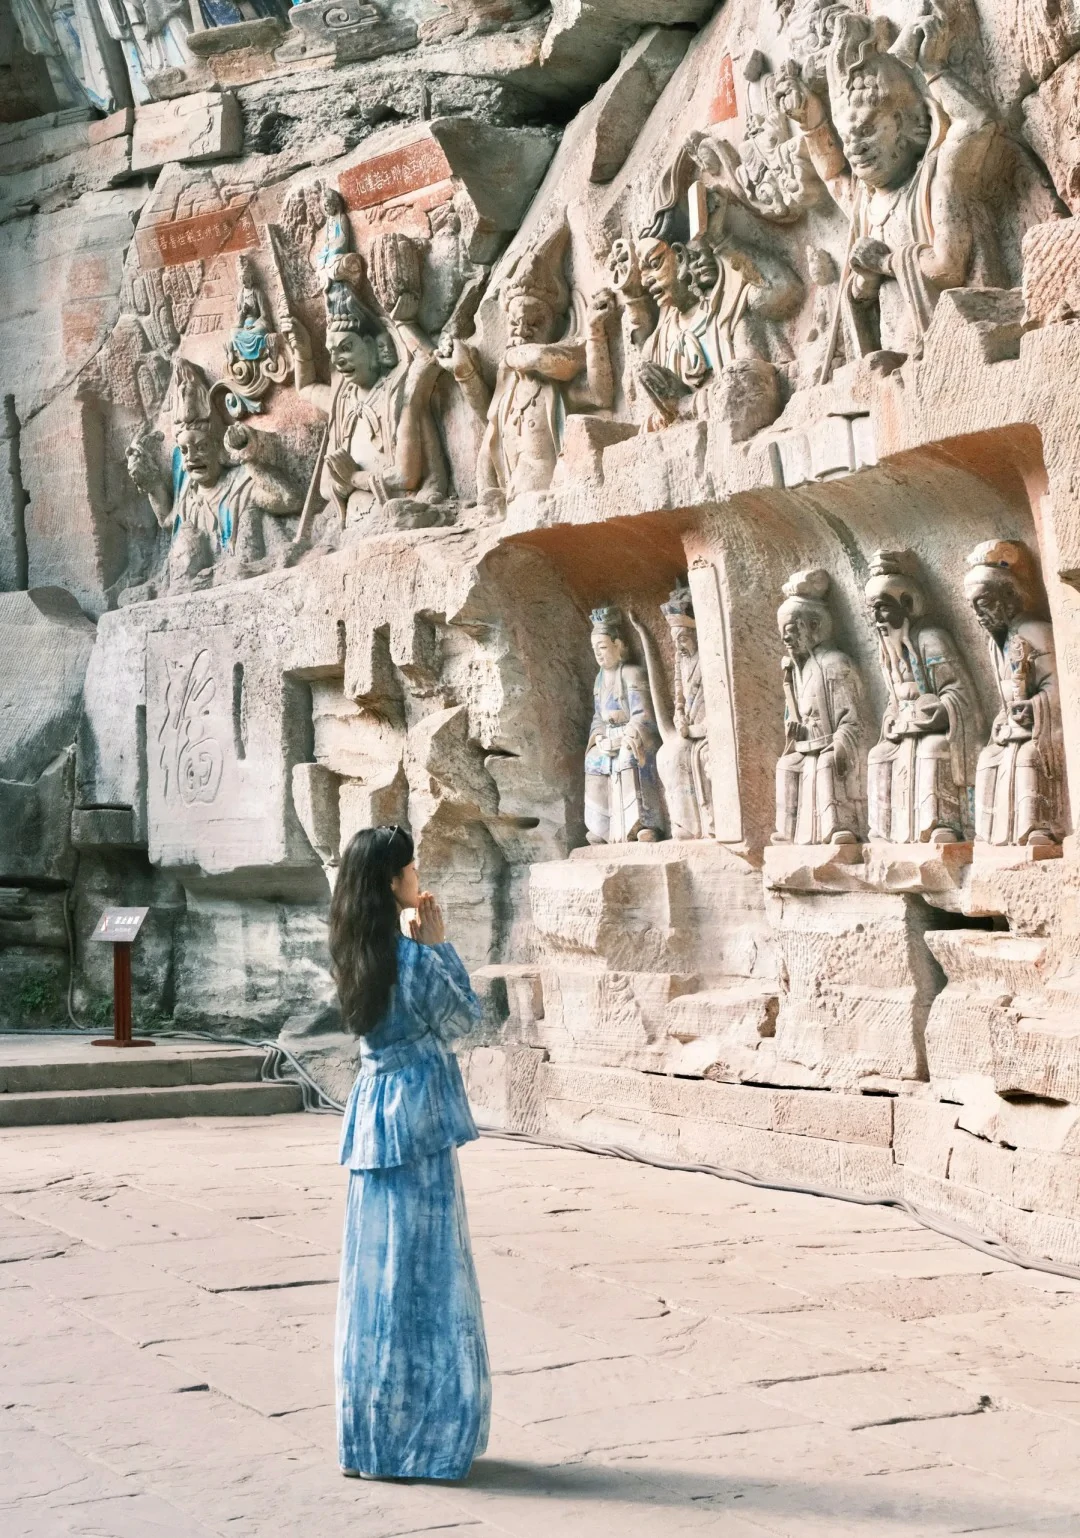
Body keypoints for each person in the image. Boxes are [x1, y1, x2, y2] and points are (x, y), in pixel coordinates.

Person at [329, 825, 490, 1482]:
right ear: (396, 882)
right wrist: (440, 947)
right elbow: (467, 1023)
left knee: (375, 1284)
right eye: (412, 872)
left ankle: (371, 1439)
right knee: (429, 1283)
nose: (418, 881)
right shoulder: (413, 958)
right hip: (418, 1120)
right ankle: (429, 1439)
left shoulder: (354, 948)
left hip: (375, 1115)